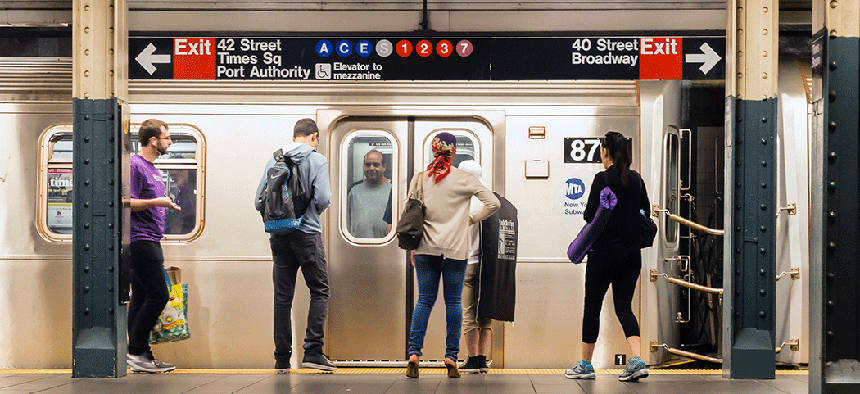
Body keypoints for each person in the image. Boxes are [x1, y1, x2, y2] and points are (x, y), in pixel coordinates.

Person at [405, 133, 500, 379]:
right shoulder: (464, 179)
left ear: (434, 151)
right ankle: (451, 356)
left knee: (425, 301)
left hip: (426, 248)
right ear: (454, 152)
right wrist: (470, 218)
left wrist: (414, 248)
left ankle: (414, 353)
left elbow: (410, 213)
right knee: (454, 303)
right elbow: (493, 204)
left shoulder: (420, 178)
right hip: (456, 250)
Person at [565, 131, 651, 382]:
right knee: (624, 307)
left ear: (605, 152)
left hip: (602, 255)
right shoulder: (636, 180)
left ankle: (585, 365)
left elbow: (590, 215)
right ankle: (636, 360)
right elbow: (644, 210)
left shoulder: (601, 179)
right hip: (631, 255)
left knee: (592, 306)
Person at [254, 118, 336, 372]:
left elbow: (258, 201)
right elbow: (323, 197)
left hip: (279, 235)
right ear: (314, 137)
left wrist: (281, 219)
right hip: (307, 234)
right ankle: (312, 351)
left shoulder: (275, 159)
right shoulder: (317, 159)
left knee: (282, 297)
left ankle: (281, 358)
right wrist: (308, 214)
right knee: (319, 290)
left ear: (294, 137)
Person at [127, 119, 181, 373]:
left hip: (151, 238)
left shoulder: (152, 168)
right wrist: (158, 202)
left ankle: (142, 355)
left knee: (140, 298)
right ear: (153, 141)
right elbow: (127, 201)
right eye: (167, 138)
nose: (169, 142)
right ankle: (135, 351)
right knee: (159, 294)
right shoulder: (136, 166)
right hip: (140, 240)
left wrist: (162, 202)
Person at [456, 160, 493, 373]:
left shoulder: (463, 201)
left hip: (468, 263)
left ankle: (471, 358)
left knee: (469, 313)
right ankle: (482, 359)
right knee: (485, 314)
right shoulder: (488, 198)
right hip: (488, 265)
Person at [346, 150, 392, 238]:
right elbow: (346, 222)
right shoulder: (353, 190)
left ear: (384, 167)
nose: (371, 168)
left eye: (375, 165)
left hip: (386, 246)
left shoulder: (393, 190)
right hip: (356, 246)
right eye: (367, 165)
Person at [166, 169, 196, 234]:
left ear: (184, 171)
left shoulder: (194, 191)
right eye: (171, 176)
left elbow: (187, 215)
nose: (172, 178)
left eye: (175, 175)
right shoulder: (182, 190)